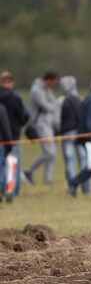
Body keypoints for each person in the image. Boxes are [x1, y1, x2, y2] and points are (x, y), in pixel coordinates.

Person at [23, 70, 60, 185]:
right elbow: (46, 106)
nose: (54, 84)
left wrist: (52, 106)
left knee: (51, 152)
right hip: (40, 124)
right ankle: (28, 172)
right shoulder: (36, 90)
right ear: (49, 80)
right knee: (50, 152)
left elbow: (53, 103)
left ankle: (47, 179)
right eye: (54, 81)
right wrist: (52, 106)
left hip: (48, 124)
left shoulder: (47, 89)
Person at [58, 76, 90, 195]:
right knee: (83, 159)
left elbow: (56, 121)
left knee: (69, 160)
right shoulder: (81, 99)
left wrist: (59, 131)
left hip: (66, 134)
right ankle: (85, 187)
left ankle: (72, 186)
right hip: (79, 133)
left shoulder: (60, 101)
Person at [0, 71, 29, 202]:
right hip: (12, 135)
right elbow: (23, 117)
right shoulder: (15, 97)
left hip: (2, 137)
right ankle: (12, 191)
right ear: (11, 82)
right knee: (13, 165)